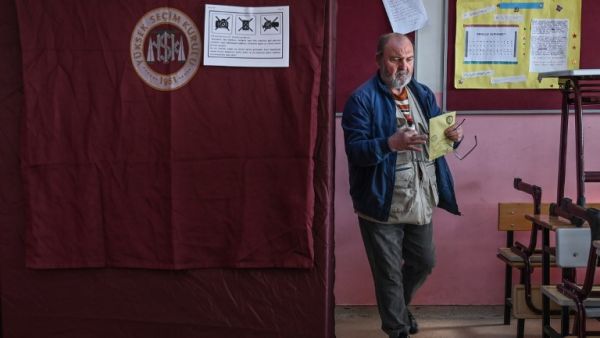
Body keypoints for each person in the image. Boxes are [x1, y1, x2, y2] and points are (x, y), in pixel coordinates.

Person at [341, 32, 463, 338]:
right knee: (389, 273)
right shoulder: (361, 100)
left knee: (425, 261)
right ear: (380, 59)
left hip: (421, 197)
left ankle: (399, 306)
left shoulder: (422, 94)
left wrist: (451, 139)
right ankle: (397, 329)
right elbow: (355, 151)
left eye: (408, 59)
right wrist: (390, 143)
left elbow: (436, 141)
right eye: (396, 59)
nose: (403, 66)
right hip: (381, 202)